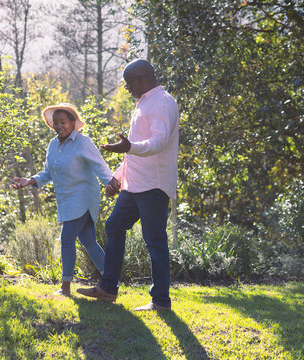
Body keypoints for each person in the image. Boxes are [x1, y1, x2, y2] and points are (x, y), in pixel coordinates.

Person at [77, 59, 179, 311]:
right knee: (114, 226)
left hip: (153, 185)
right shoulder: (144, 103)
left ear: (141, 79)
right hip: (134, 185)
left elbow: (158, 142)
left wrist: (129, 146)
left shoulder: (162, 102)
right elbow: (134, 149)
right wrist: (117, 177)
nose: (128, 89)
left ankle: (160, 301)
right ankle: (108, 289)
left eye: (128, 84)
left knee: (154, 240)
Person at [12, 103, 113, 296]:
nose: (59, 126)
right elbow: (49, 172)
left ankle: (65, 288)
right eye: (55, 122)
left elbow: (100, 166)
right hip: (66, 199)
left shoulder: (83, 142)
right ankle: (110, 282)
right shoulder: (53, 144)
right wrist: (29, 180)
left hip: (83, 197)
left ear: (73, 123)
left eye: (63, 122)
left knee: (66, 238)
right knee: (89, 241)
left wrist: (112, 184)